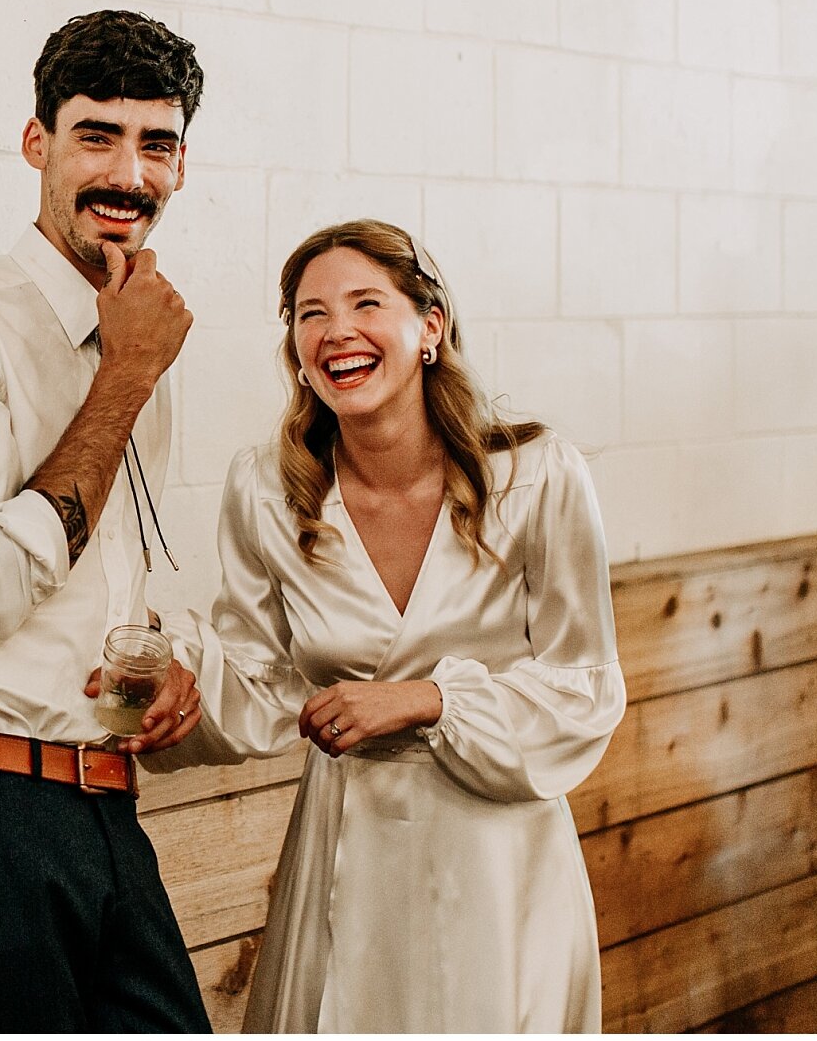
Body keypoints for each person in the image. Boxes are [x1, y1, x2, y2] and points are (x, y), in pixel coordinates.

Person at [169, 218, 625, 1031]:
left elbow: (584, 687)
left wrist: (428, 701)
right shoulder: (266, 492)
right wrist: (172, 683)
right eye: (310, 314)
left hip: (500, 866)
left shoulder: (537, 476)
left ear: (430, 328)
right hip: (346, 859)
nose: (336, 330)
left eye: (365, 303)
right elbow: (258, 678)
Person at [0, 10, 214, 1031]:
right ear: (36, 143)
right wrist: (127, 374)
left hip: (102, 794)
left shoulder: (133, 331)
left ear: (180, 165)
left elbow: (113, 581)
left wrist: (170, 659)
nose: (126, 173)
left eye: (154, 144)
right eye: (95, 134)